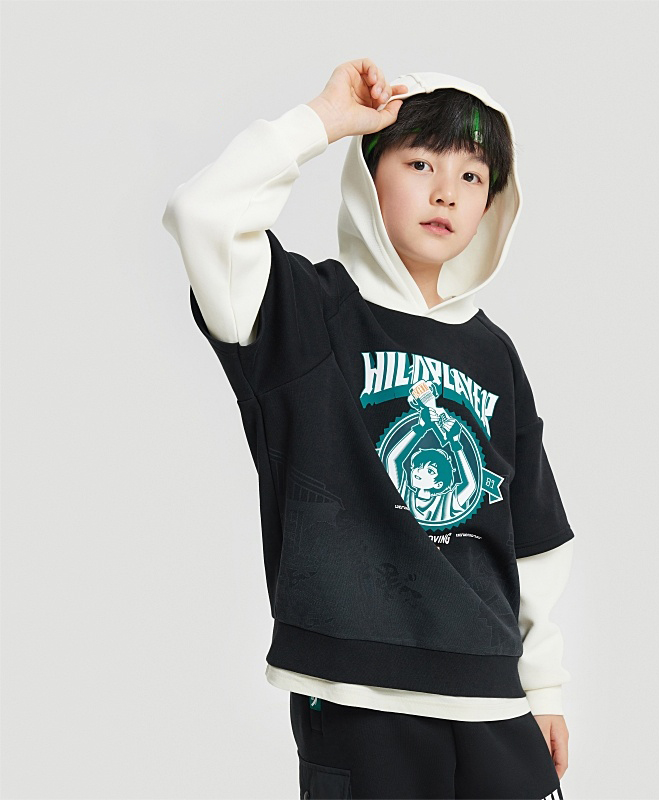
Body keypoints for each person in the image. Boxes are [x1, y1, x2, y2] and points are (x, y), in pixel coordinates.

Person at [162, 58, 575, 800]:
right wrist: (323, 121)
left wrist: (541, 686)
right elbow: (205, 215)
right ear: (368, 173)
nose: (446, 191)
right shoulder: (305, 312)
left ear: (493, 204)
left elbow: (533, 532)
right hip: (358, 695)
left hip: (492, 697)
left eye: (472, 176)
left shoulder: (495, 353)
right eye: (420, 164)